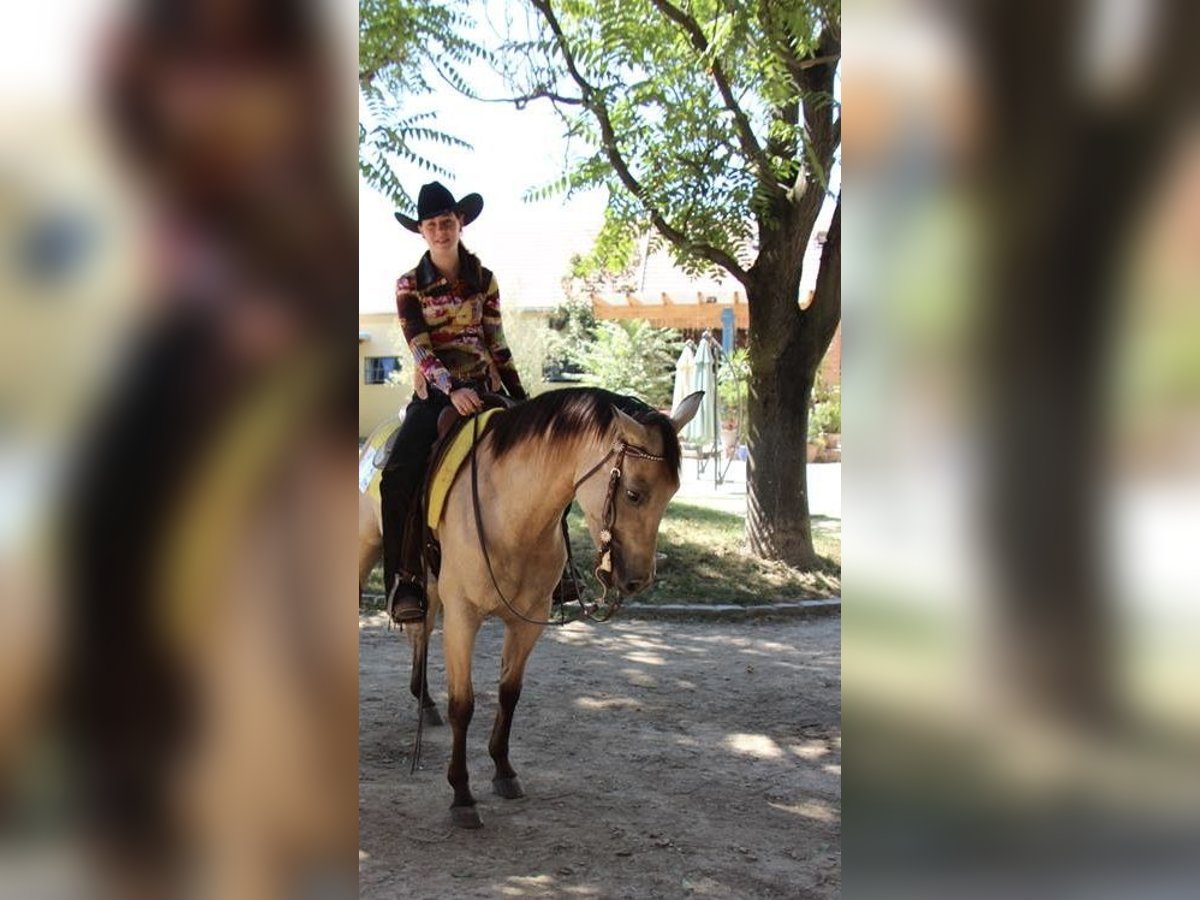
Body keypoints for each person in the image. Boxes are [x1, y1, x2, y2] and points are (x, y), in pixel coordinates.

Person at [381, 180, 527, 622]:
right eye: (431, 225)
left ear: (460, 223)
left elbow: (496, 343)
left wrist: (521, 398)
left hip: (485, 388)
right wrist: (452, 390)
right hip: (437, 394)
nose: (440, 231)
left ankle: (556, 574)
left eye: (447, 222)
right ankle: (404, 581)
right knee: (397, 475)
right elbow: (420, 348)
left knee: (545, 451)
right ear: (422, 232)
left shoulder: (484, 280)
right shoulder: (409, 285)